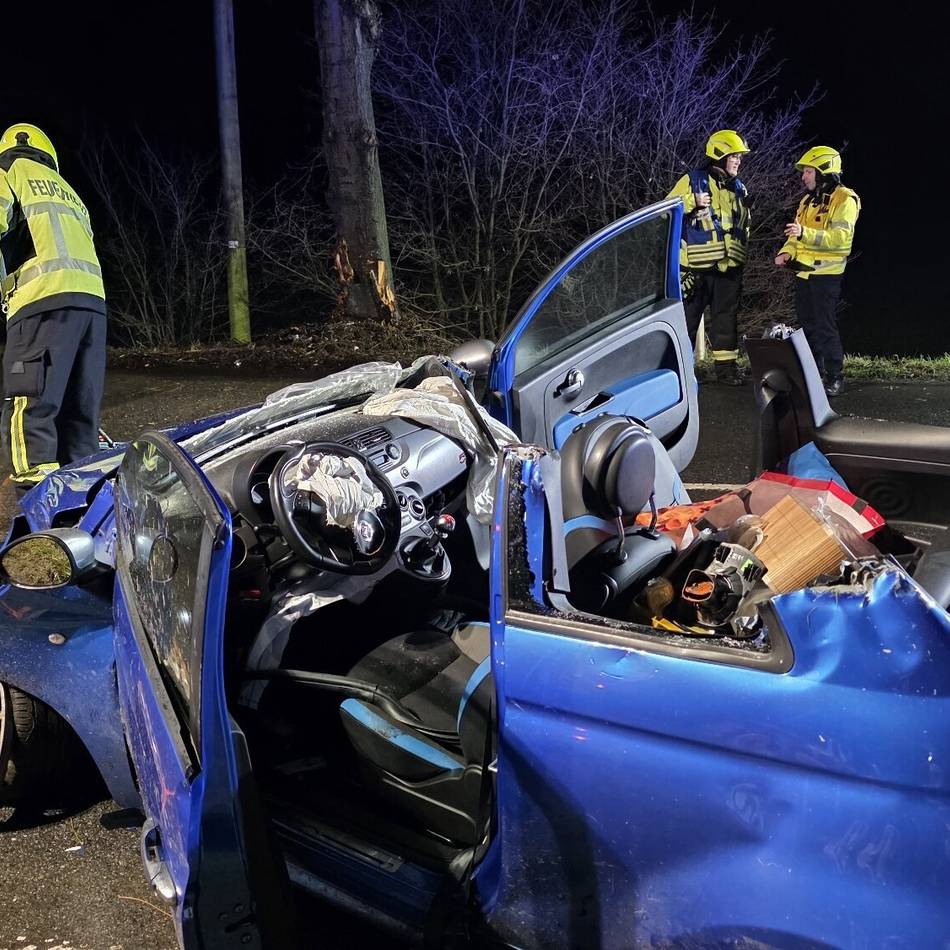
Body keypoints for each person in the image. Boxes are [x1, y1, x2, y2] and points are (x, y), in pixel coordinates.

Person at [0, 123, 107, 494]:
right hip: (92, 306)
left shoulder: (8, 174)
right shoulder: (70, 193)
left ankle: (36, 508)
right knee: (80, 414)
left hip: (39, 300)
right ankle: (85, 506)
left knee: (29, 405)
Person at [775, 146, 860, 397]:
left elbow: (842, 239)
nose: (804, 176)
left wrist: (805, 234)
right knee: (806, 328)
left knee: (825, 327)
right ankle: (812, 376)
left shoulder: (845, 198)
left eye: (809, 171)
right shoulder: (806, 201)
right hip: (803, 272)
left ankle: (835, 376)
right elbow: (795, 235)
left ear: (824, 171)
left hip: (827, 274)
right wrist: (786, 251)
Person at [668, 130, 752, 385]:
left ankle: (725, 370)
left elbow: (744, 225)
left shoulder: (739, 188)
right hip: (696, 269)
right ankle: (679, 373)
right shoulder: (692, 180)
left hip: (729, 268)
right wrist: (691, 200)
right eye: (734, 156)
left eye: (739, 157)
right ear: (719, 155)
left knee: (726, 319)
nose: (738, 161)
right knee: (688, 322)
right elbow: (666, 212)